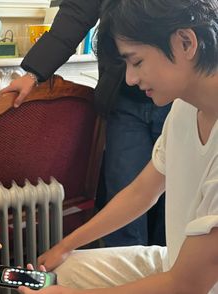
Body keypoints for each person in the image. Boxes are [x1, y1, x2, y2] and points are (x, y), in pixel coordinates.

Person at [18, 0, 218, 293]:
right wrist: (66, 245)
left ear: (185, 42)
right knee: (63, 270)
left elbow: (186, 284)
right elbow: (141, 192)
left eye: (136, 61)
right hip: (173, 263)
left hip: (192, 281)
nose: (130, 78)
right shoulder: (184, 109)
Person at [0, 0, 171, 247]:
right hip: (123, 102)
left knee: (177, 201)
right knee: (124, 196)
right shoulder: (129, 80)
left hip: (180, 100)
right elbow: (76, 15)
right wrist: (33, 72)